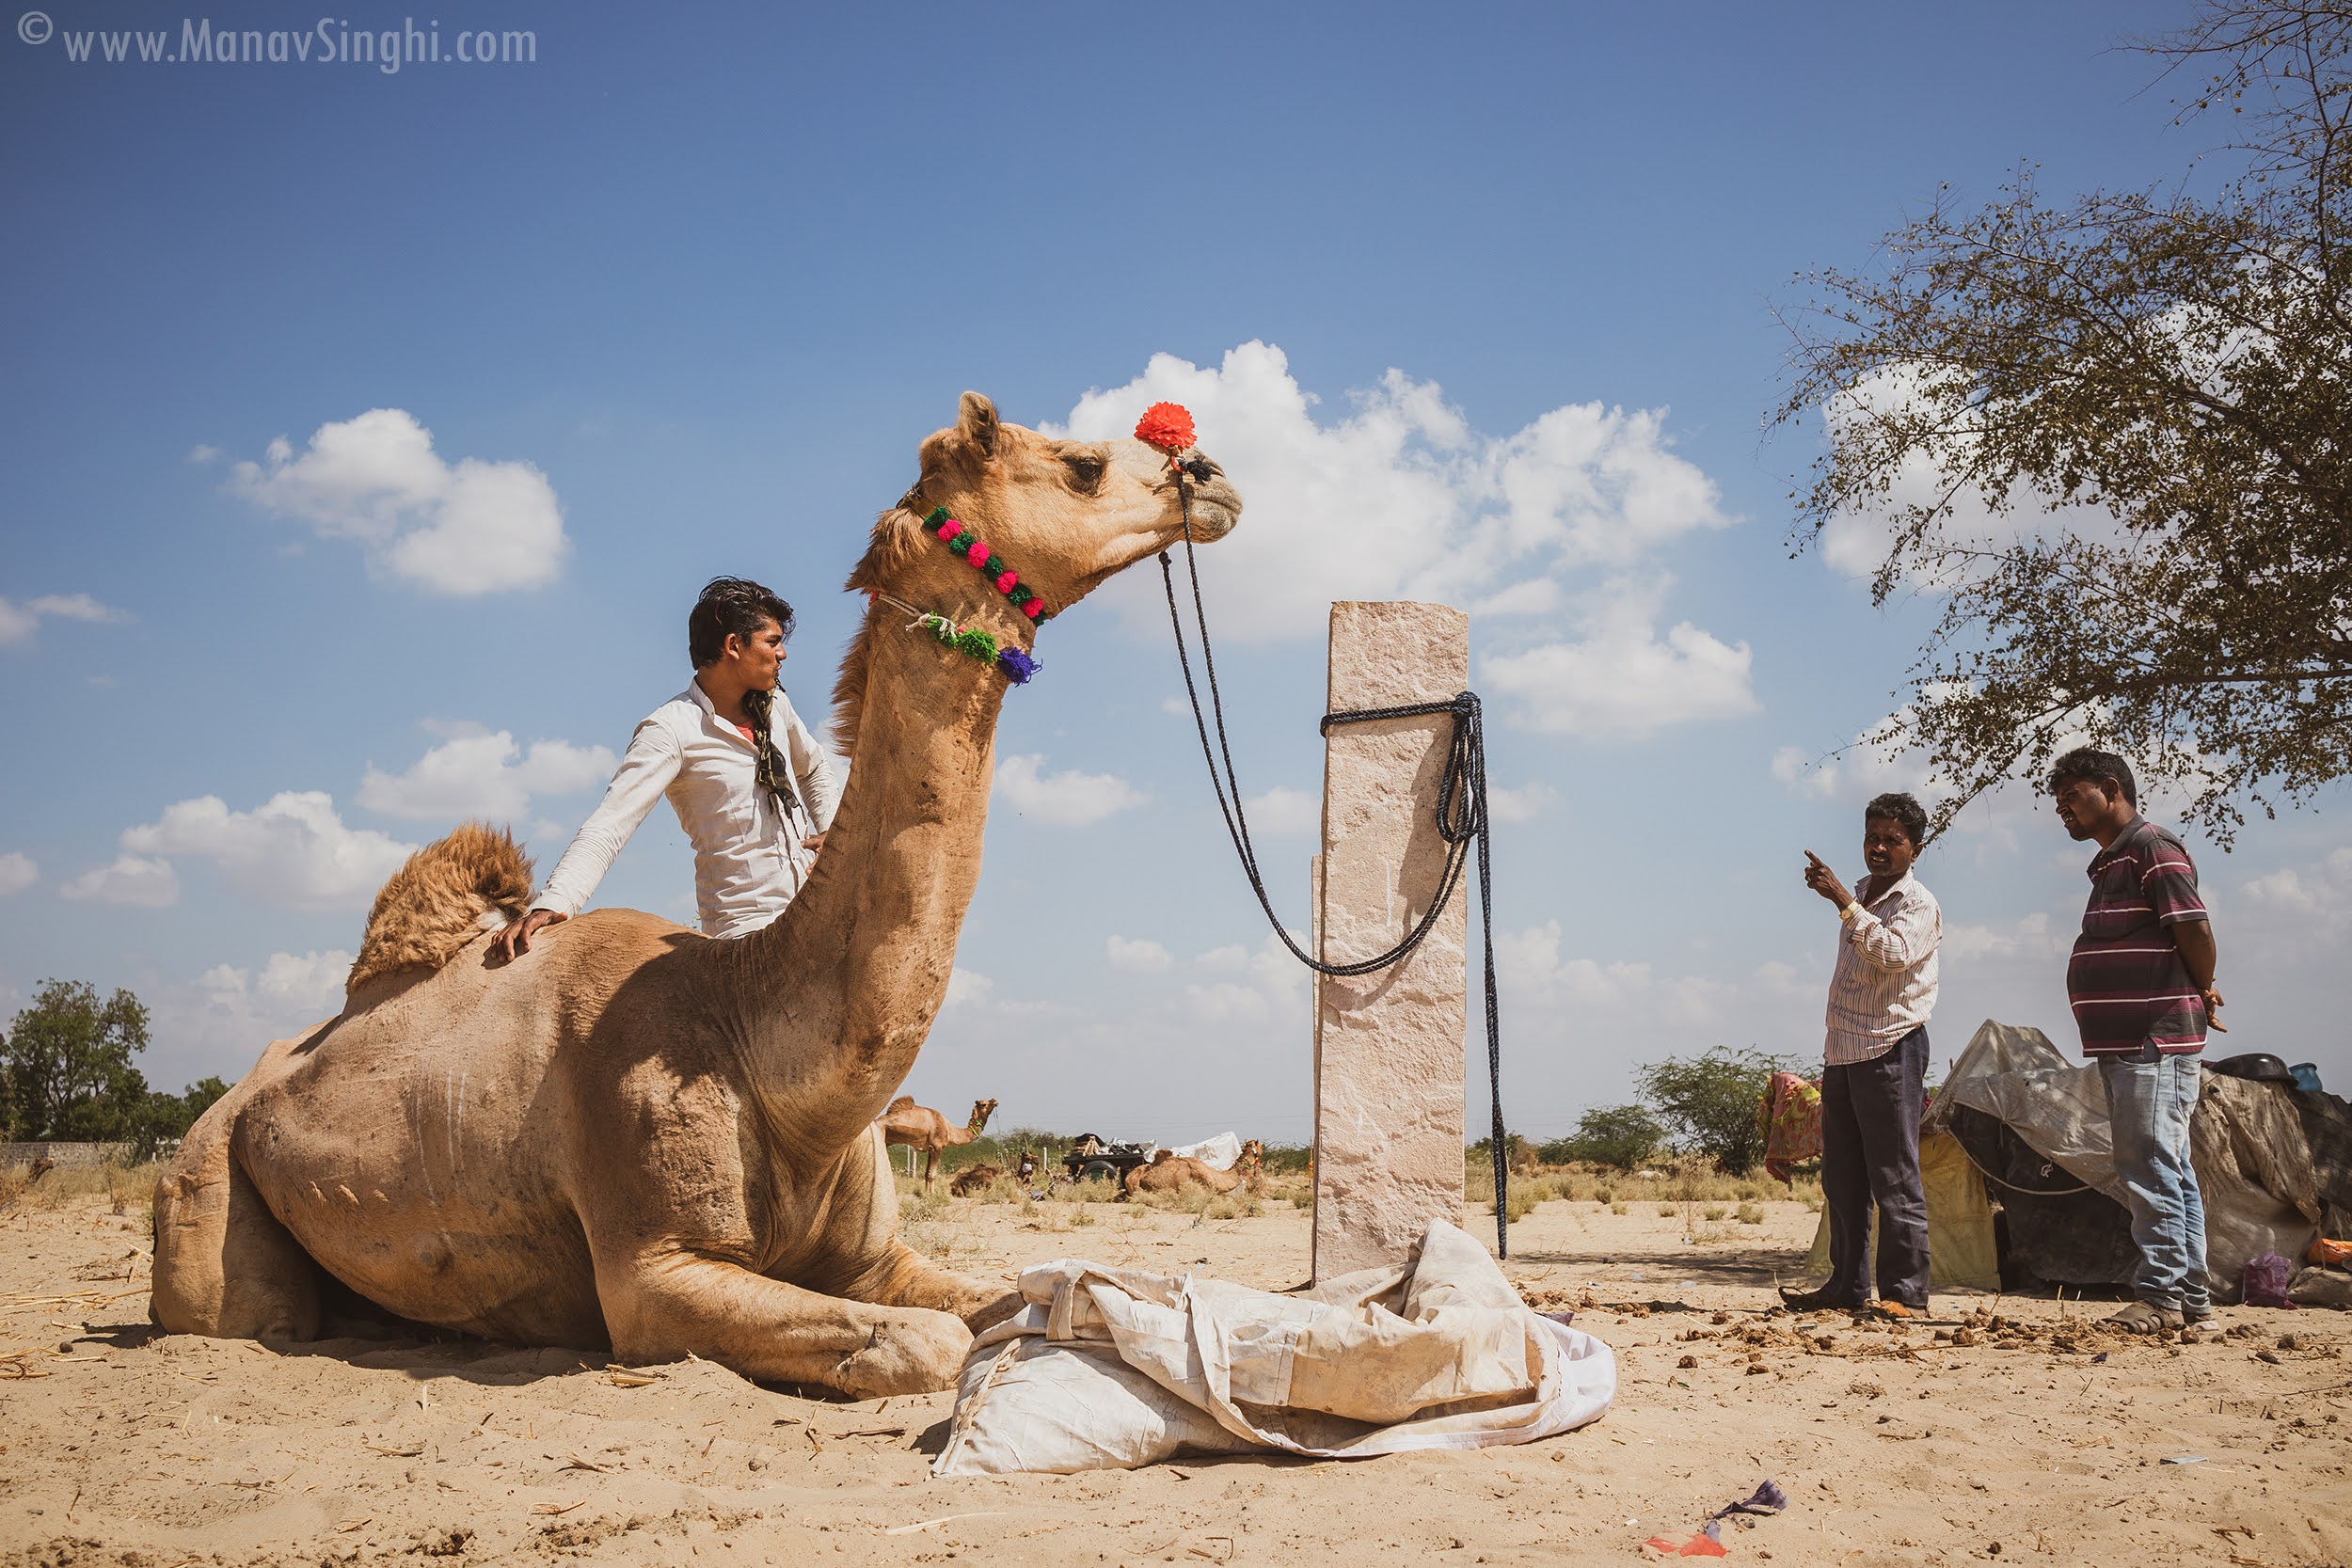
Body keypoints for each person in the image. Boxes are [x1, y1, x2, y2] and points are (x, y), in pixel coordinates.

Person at [497, 577, 839, 957]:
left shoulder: (777, 708)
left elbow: (813, 769)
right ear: (733, 647)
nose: (783, 654)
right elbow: (612, 822)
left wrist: (831, 829)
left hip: (815, 913)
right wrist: (554, 900)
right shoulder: (671, 729)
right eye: (773, 642)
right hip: (745, 939)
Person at [2048, 747, 2222, 1333]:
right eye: (2059, 801)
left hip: (2153, 1039)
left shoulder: (2152, 848)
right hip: (2126, 1042)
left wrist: (2203, 987)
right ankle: (2190, 1300)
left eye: (2072, 796)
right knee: (2169, 1167)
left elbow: (2193, 928)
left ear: (2110, 788)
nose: (2063, 809)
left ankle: (2162, 1295)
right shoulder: (2110, 863)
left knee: (2147, 1165)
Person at [1783, 791, 1942, 1319]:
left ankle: (1904, 1296)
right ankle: (1846, 1286)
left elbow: (1892, 955)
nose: (1878, 848)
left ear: (1915, 849)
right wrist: (1850, 901)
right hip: (1845, 1052)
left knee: (1894, 1175)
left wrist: (1842, 904)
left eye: (1892, 840)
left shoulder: (1917, 903)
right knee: (1843, 1179)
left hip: (1890, 1048)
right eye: (1872, 837)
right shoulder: (1863, 894)